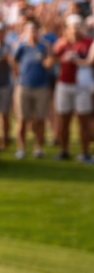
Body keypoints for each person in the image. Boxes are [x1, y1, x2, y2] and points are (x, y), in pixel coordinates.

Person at [52, 14, 93, 162]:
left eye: (77, 26)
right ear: (67, 29)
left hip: (82, 86)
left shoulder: (89, 43)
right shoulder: (61, 43)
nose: (74, 30)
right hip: (64, 84)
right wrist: (62, 58)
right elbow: (51, 60)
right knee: (63, 120)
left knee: (84, 121)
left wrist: (78, 60)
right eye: (72, 27)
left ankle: (85, 153)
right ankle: (64, 150)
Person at [10, 20, 52, 159]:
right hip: (23, 86)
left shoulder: (44, 46)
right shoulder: (21, 47)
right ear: (26, 32)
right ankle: (21, 148)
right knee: (22, 119)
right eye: (30, 30)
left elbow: (49, 64)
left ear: (38, 32)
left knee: (40, 119)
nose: (32, 33)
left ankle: (38, 148)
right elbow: (14, 64)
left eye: (35, 30)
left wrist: (46, 59)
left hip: (41, 86)